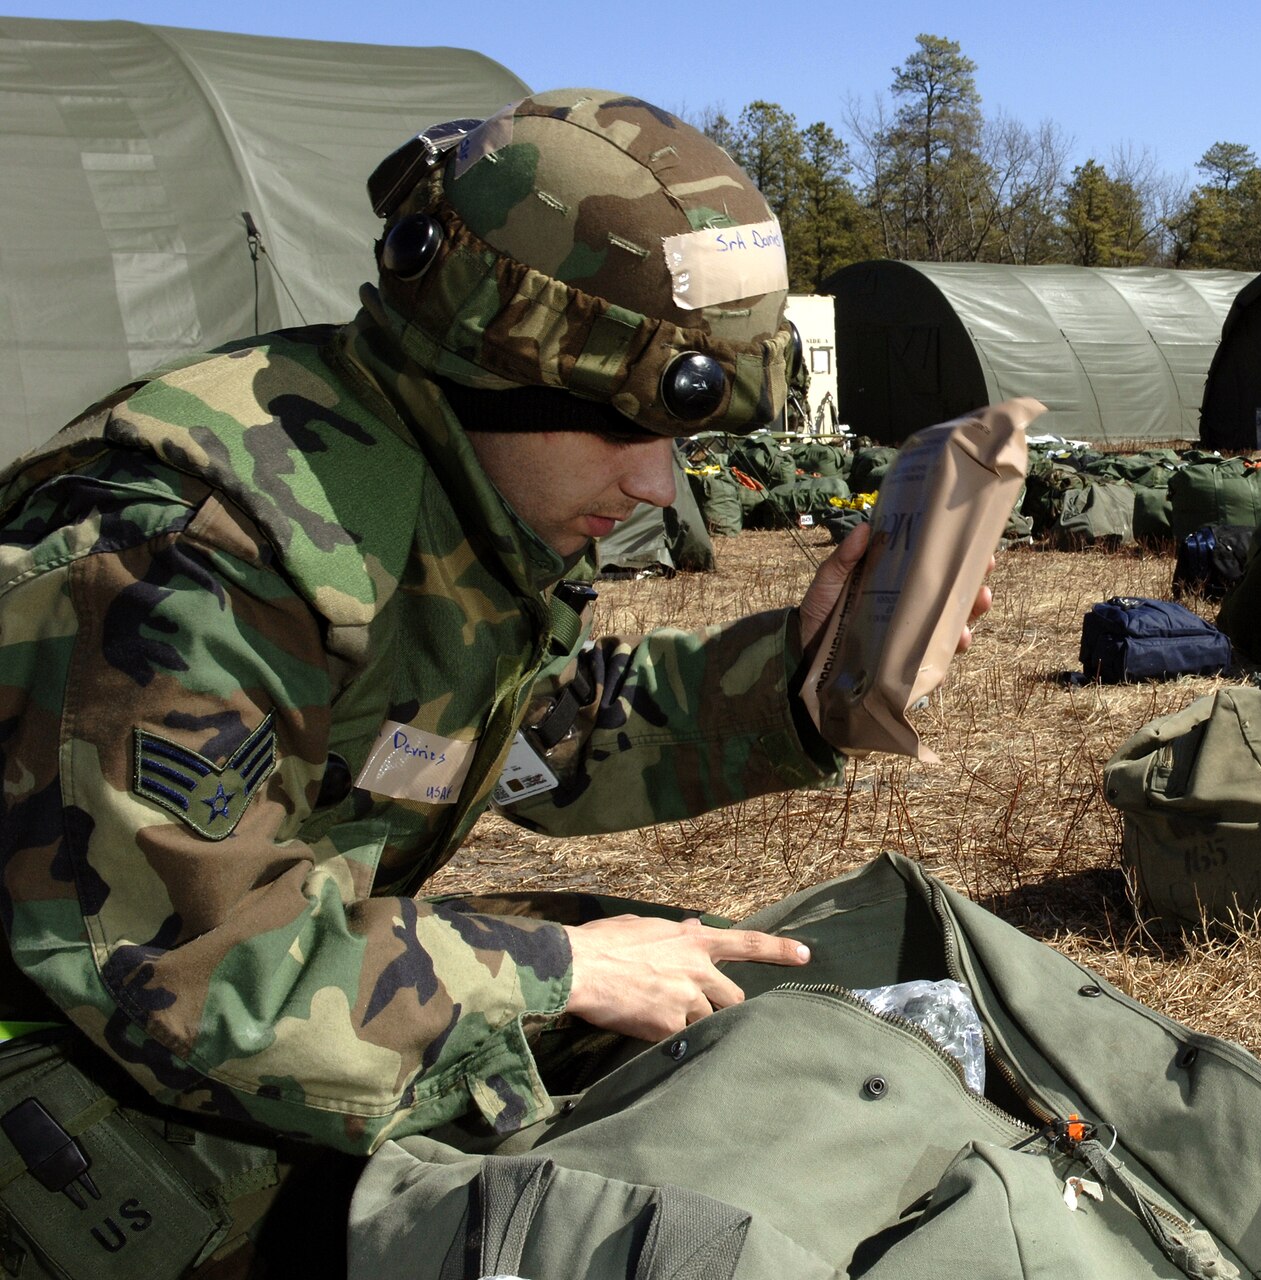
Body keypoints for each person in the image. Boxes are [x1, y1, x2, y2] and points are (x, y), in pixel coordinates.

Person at [0, 88, 986, 1276]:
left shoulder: (440, 500)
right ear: (486, 358)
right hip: (78, 1094)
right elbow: (192, 974)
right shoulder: (181, 555)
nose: (660, 490)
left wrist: (804, 681)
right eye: (626, 426)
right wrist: (561, 969)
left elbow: (542, 740)